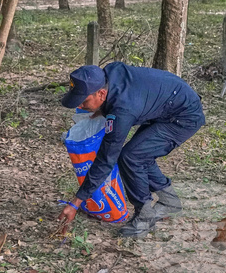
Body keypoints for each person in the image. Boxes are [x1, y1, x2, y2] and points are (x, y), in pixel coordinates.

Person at [56, 63, 205, 238]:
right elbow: (120, 99)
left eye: (84, 100)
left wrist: (76, 201)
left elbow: (106, 159)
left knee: (131, 157)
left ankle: (145, 215)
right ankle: (170, 201)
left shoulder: (122, 110)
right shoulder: (109, 74)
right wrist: (100, 109)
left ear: (101, 93)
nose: (81, 105)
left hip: (183, 117)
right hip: (170, 103)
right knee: (139, 153)